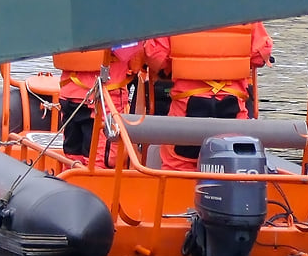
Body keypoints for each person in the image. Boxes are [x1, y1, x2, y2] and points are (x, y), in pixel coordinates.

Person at [143, 22, 273, 171]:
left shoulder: (174, 10)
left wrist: (178, 64)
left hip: (187, 110)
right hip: (233, 108)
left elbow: (155, 57)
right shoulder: (245, 12)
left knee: (178, 166)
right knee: (234, 165)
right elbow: (260, 55)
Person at [53, 42, 145, 168]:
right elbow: (136, 64)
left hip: (69, 94)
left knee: (72, 158)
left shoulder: (67, 25)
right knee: (101, 162)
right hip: (103, 99)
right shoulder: (123, 26)